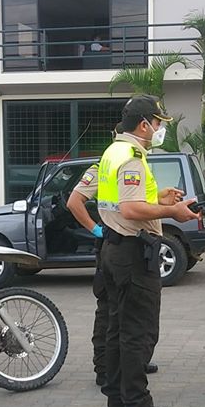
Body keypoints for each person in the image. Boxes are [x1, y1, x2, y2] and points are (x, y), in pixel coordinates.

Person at [96, 94, 201, 407]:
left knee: (117, 329)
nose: (159, 129)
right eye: (157, 123)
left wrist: (160, 198)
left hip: (114, 248)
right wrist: (173, 211)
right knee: (138, 333)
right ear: (144, 125)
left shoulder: (113, 151)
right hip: (132, 253)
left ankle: (116, 400)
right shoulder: (131, 157)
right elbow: (130, 209)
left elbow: (125, 201)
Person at [67, 161, 159, 387]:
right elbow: (74, 202)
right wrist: (95, 229)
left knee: (121, 313)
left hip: (120, 246)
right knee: (109, 312)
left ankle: (129, 364)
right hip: (115, 245)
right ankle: (105, 369)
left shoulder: (124, 166)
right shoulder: (103, 168)